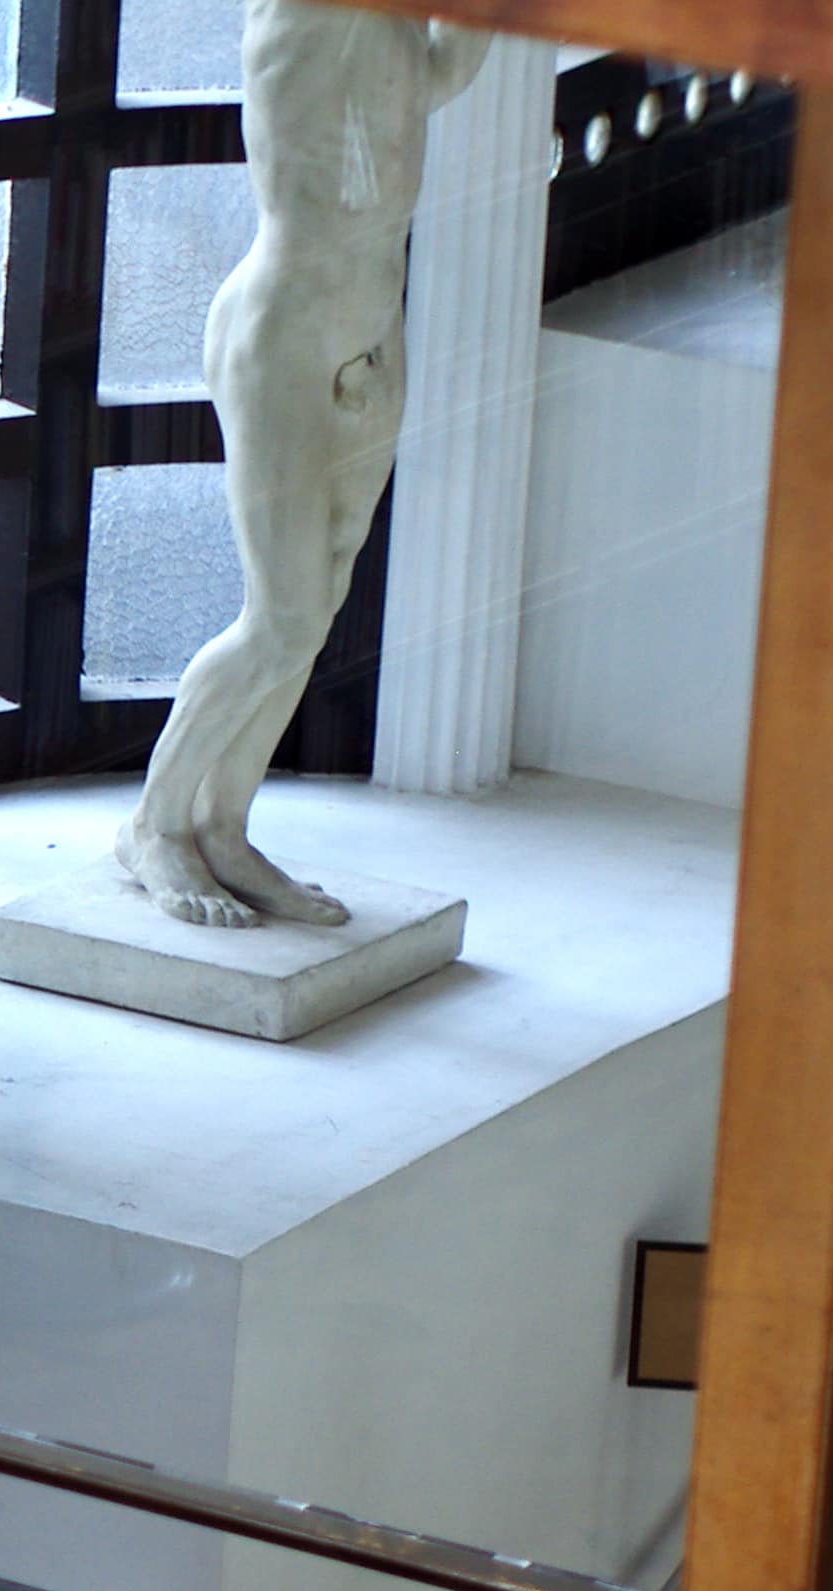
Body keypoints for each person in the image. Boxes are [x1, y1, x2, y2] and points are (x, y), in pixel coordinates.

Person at [113, 2, 493, 930]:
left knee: (315, 608)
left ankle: (225, 826)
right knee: (280, 618)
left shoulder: (395, 31)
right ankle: (156, 823)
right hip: (281, 334)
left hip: (372, 337)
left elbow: (443, 73)